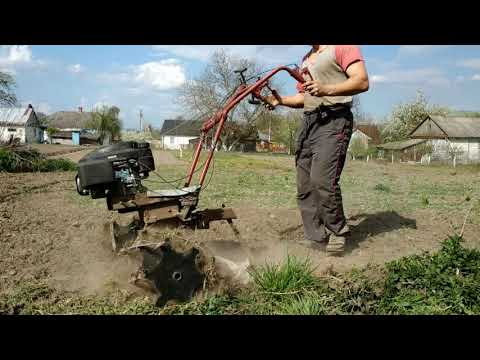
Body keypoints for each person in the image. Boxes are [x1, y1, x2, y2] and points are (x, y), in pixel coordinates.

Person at [265, 45, 369, 254]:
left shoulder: (342, 47)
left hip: (334, 118)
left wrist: (326, 89)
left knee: (322, 179)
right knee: (305, 184)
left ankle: (337, 231)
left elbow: (361, 81)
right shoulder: (306, 59)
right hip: (310, 121)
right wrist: (281, 101)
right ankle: (316, 236)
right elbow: (306, 98)